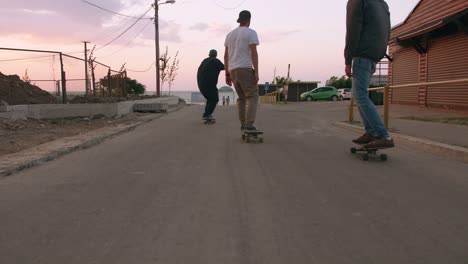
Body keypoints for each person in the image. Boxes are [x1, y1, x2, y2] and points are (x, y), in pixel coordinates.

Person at [345, 0, 394, 149]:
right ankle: (371, 132)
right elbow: (388, 32)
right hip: (374, 54)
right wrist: (377, 55)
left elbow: (353, 29)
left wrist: (348, 59)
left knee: (360, 95)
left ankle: (383, 135)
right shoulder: (382, 4)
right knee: (360, 94)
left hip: (362, 53)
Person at [224, 10, 260, 131]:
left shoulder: (230, 35)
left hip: (233, 70)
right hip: (244, 68)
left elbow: (226, 56)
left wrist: (227, 73)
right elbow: (254, 53)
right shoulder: (251, 33)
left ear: (239, 20)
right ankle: (248, 125)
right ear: (249, 20)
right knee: (253, 96)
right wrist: (256, 71)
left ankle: (243, 124)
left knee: (241, 98)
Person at [197, 49, 224, 120]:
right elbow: (224, 67)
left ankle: (206, 114)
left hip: (200, 84)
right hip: (209, 84)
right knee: (214, 99)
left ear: (209, 54)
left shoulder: (204, 61)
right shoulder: (215, 60)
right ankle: (207, 114)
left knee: (210, 99)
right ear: (216, 55)